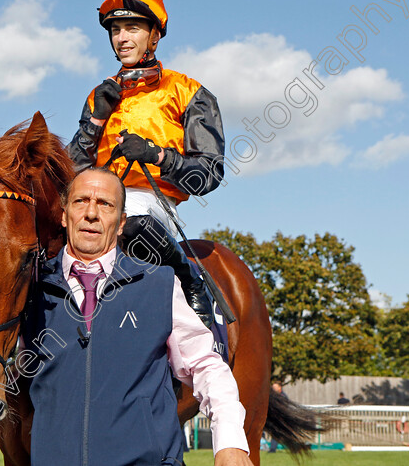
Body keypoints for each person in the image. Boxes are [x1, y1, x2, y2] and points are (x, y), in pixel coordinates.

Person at [25, 168, 252, 466]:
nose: (91, 212)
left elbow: (206, 366)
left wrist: (230, 441)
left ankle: (196, 288)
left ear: (120, 223)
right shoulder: (30, 290)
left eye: (105, 204)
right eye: (81, 201)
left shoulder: (159, 283)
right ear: (64, 215)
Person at [68, 0, 227, 328]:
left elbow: (209, 175)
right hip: (92, 199)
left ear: (155, 36)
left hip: (151, 205)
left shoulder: (190, 92)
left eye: (133, 28)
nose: (122, 38)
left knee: (132, 221)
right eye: (115, 30)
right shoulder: (99, 95)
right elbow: (70, 172)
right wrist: (96, 121)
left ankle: (192, 283)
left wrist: (156, 155)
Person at [268, 383, 287, 453]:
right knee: (275, 433)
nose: (274, 388)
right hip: (276, 418)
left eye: (275, 387)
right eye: (273, 387)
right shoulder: (273, 396)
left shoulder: (283, 396)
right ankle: (272, 449)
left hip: (282, 418)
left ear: (280, 387)